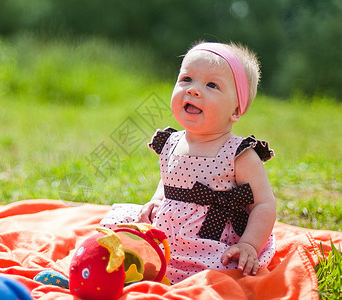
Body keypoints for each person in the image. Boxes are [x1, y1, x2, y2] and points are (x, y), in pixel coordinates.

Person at [100, 41, 276, 284]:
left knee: (213, 276)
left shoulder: (239, 153)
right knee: (119, 236)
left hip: (209, 238)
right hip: (166, 227)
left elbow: (263, 205)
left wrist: (249, 244)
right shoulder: (170, 141)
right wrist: (156, 200)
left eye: (211, 85)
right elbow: (169, 179)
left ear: (235, 111)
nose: (193, 90)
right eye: (187, 79)